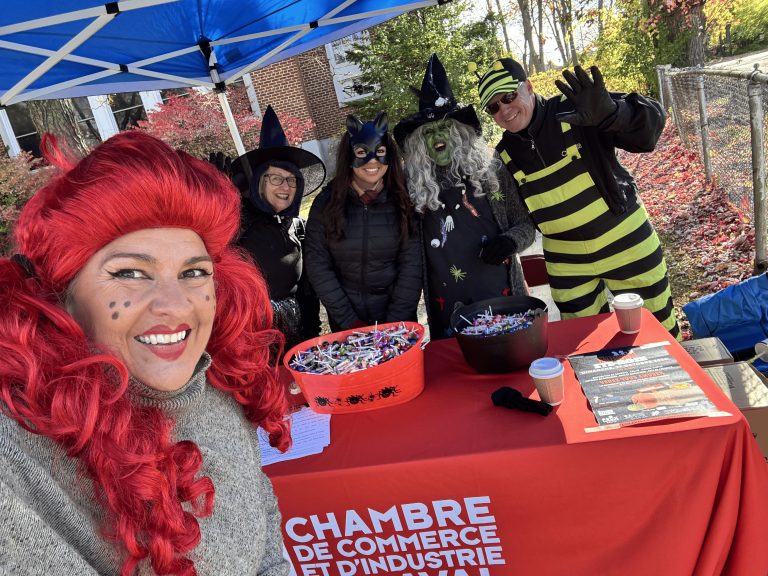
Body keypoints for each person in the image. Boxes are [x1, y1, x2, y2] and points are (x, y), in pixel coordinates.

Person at [0, 131, 291, 575]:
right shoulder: (15, 457)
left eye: (194, 272)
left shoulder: (215, 386)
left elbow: (263, 525)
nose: (175, 305)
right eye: (131, 273)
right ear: (62, 296)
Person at [476, 58, 680, 337]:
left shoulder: (578, 107)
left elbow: (650, 129)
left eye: (509, 96)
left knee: (657, 330)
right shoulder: (505, 155)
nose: (504, 110)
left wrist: (613, 113)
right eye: (493, 107)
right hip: (566, 260)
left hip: (625, 241)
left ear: (529, 87)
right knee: (583, 342)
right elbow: (518, 216)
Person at [394, 53, 536, 339]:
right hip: (448, 310)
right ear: (419, 143)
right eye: (429, 132)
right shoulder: (412, 186)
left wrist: (510, 241)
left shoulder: (493, 169)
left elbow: (527, 226)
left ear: (459, 131)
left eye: (445, 127)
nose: (438, 137)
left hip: (503, 297)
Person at [304, 112, 422, 332]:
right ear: (349, 157)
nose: (372, 161)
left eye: (380, 152)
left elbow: (412, 265)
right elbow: (317, 264)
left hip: (398, 324)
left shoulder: (404, 201)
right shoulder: (325, 204)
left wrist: (394, 321)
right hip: (347, 325)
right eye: (361, 152)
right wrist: (350, 322)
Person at [229, 105, 324, 352]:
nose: (286, 186)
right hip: (255, 341)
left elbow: (307, 289)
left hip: (298, 336)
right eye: (276, 178)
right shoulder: (238, 224)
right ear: (260, 181)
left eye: (292, 179)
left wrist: (311, 333)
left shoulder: (297, 227)